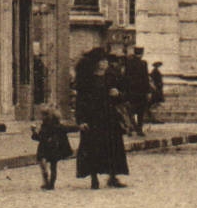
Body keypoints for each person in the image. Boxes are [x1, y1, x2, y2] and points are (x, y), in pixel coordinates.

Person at [74, 50, 129, 189]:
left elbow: (123, 97)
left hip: (109, 118)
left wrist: (118, 94)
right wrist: (81, 120)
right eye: (102, 61)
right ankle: (94, 178)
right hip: (93, 118)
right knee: (93, 148)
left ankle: (113, 176)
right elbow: (80, 101)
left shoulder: (111, 77)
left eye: (106, 61)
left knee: (112, 148)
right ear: (95, 63)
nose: (105, 64)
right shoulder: (87, 80)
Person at [31, 105, 74, 190]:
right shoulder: (51, 125)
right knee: (51, 166)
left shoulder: (48, 126)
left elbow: (39, 137)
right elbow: (67, 128)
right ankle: (50, 183)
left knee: (45, 164)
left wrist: (34, 132)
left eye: (44, 114)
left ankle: (48, 182)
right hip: (51, 148)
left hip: (46, 148)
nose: (42, 116)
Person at [123, 47, 152, 134]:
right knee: (140, 111)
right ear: (142, 53)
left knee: (130, 110)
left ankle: (130, 128)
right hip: (141, 91)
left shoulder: (129, 62)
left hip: (131, 91)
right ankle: (139, 129)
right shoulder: (143, 63)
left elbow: (126, 77)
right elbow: (146, 78)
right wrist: (148, 91)